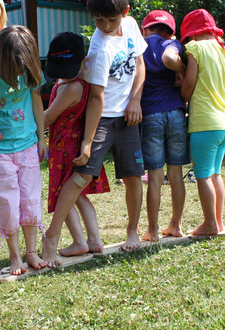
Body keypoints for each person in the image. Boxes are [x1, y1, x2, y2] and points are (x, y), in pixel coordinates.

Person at [42, 0, 147, 267]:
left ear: (125, 13)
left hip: (128, 117)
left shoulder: (132, 26)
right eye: (99, 21)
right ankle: (52, 236)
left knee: (134, 176)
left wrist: (135, 100)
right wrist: (88, 142)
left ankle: (132, 231)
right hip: (102, 118)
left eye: (111, 20)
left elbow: (140, 65)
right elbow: (96, 98)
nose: (106, 27)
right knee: (80, 177)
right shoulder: (99, 48)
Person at [0, 25, 48, 275]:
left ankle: (31, 253)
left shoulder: (28, 70)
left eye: (21, 70)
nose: (17, 75)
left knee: (30, 200)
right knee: (7, 202)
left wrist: (41, 137)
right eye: (12, 71)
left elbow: (36, 100)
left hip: (27, 147)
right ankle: (15, 257)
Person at [44, 32, 110, 257]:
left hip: (66, 148)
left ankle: (79, 241)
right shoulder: (76, 81)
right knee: (79, 195)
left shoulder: (73, 87)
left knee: (65, 194)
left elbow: (48, 118)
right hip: (71, 145)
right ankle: (94, 240)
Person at [140, 10, 190, 241]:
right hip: (177, 113)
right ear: (170, 31)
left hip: (151, 115)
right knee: (176, 174)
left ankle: (152, 230)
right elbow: (170, 59)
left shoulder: (139, 46)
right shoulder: (173, 44)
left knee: (155, 176)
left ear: (145, 29)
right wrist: (181, 70)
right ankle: (176, 225)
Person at [180, 9, 225, 235]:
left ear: (191, 34)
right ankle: (218, 222)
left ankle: (209, 224)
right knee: (215, 173)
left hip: (204, 123)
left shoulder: (195, 48)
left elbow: (189, 83)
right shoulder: (221, 48)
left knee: (203, 175)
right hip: (222, 122)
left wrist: (182, 97)